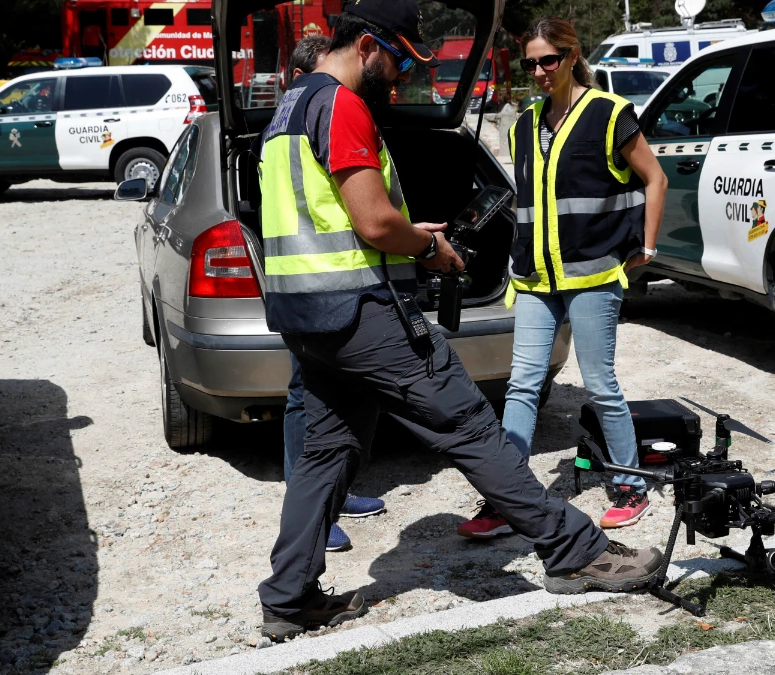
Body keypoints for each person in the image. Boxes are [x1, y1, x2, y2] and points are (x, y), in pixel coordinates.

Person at [255, 0, 662, 643]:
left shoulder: (289, 105)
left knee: (325, 452)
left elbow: (327, 216)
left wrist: (404, 231)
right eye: (398, 62)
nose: (399, 78)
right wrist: (427, 248)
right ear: (367, 46)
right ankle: (576, 552)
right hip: (360, 312)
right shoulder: (342, 105)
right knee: (470, 425)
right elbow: (371, 222)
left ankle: (288, 597)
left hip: (306, 317)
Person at [457, 17, 667, 538]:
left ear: (572, 56)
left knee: (600, 384)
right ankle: (507, 499)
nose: (539, 71)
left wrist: (647, 245)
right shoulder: (523, 125)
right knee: (522, 386)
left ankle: (630, 485)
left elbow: (655, 177)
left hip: (594, 274)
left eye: (548, 60)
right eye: (530, 63)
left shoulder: (611, 113)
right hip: (535, 279)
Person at [280, 32, 384, 554]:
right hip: (313, 290)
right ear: (305, 75)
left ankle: (337, 496)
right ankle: (317, 509)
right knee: (307, 399)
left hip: (337, 287)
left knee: (338, 398)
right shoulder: (309, 113)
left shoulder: (310, 112)